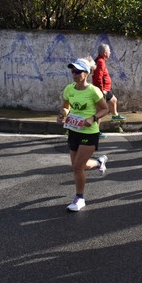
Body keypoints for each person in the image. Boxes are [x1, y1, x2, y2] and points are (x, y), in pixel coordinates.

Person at [57, 57, 109, 212]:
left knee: (78, 167)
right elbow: (65, 107)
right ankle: (99, 162)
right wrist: (62, 115)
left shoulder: (93, 90)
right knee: (77, 166)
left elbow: (105, 109)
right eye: (72, 71)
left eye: (78, 71)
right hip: (73, 131)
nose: (74, 74)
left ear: (86, 73)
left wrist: (93, 118)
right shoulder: (69, 89)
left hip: (89, 132)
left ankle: (80, 198)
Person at [92, 43, 125, 138]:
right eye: (109, 51)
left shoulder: (100, 60)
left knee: (113, 100)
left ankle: (115, 115)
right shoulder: (100, 62)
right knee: (99, 113)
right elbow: (98, 77)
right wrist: (101, 90)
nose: (110, 53)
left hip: (105, 89)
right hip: (102, 90)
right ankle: (95, 132)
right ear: (105, 52)